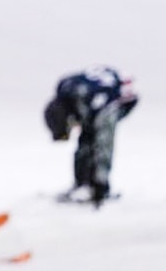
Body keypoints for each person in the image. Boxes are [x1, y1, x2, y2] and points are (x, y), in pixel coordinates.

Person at [44, 66, 138, 207]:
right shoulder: (67, 91)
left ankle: (98, 186)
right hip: (98, 96)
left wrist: (100, 186)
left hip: (113, 98)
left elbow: (104, 146)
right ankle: (83, 184)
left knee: (97, 139)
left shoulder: (97, 106)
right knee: (88, 137)